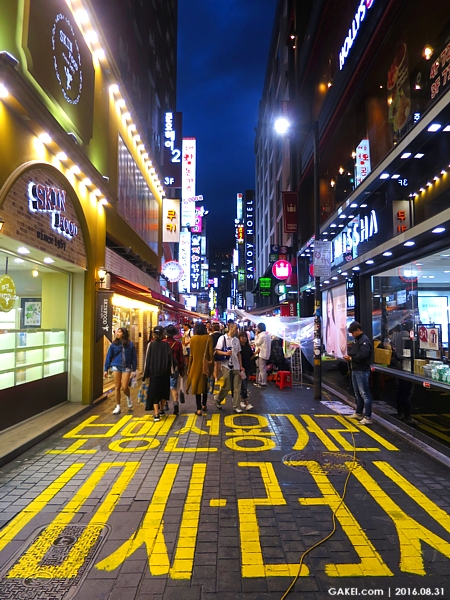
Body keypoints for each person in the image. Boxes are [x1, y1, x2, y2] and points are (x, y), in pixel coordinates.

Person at [344, 321, 373, 425]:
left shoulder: (364, 340)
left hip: (362, 370)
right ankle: (358, 413)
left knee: (364, 393)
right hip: (356, 369)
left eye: (353, 333)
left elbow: (364, 355)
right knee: (357, 393)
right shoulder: (358, 340)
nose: (352, 335)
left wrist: (351, 358)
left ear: (358, 330)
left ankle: (368, 417)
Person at [143, 325, 173, 422]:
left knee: (155, 393)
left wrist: (145, 374)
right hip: (165, 373)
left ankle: (156, 414)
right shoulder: (166, 345)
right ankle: (162, 410)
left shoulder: (150, 345)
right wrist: (171, 372)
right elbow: (170, 360)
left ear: (154, 334)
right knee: (163, 392)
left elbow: (147, 360)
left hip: (154, 373)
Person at [104, 327, 137, 415]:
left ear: (124, 334)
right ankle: (118, 406)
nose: (117, 333)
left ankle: (128, 397)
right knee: (117, 387)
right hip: (116, 366)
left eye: (119, 332)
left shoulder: (130, 344)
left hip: (126, 367)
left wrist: (134, 369)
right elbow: (109, 356)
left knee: (124, 387)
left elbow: (134, 357)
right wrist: (106, 369)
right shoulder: (113, 344)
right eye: (117, 332)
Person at [214, 322, 245, 413]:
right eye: (235, 329)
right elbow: (217, 351)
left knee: (237, 387)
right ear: (230, 328)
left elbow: (239, 354)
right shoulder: (222, 338)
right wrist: (225, 353)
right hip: (226, 366)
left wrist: (241, 366)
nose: (237, 331)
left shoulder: (236, 340)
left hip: (236, 366)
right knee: (227, 386)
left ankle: (236, 406)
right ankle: (218, 399)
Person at [186, 322, 214, 415]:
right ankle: (204, 405)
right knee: (204, 385)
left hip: (195, 366)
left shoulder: (193, 339)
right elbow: (211, 354)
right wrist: (212, 366)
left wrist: (189, 368)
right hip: (205, 366)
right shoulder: (208, 338)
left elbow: (191, 355)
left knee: (197, 386)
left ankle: (198, 409)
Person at [164, 324, 184, 415]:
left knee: (164, 387)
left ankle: (165, 404)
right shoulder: (178, 344)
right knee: (173, 387)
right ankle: (175, 402)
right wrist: (181, 371)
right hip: (174, 368)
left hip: (164, 368)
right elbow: (181, 359)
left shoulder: (163, 343)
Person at [239, 331, 254, 411]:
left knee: (244, 385)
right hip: (241, 369)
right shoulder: (238, 347)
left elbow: (250, 357)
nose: (244, 338)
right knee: (243, 385)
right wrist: (240, 366)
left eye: (245, 337)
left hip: (247, 368)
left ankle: (241, 400)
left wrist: (255, 353)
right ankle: (246, 402)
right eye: (242, 336)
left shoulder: (248, 347)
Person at [254, 322, 271, 388]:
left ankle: (263, 383)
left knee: (262, 369)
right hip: (266, 353)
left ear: (259, 329)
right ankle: (260, 382)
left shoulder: (262, 336)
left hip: (262, 354)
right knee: (262, 369)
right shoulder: (267, 335)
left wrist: (256, 336)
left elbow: (257, 343)